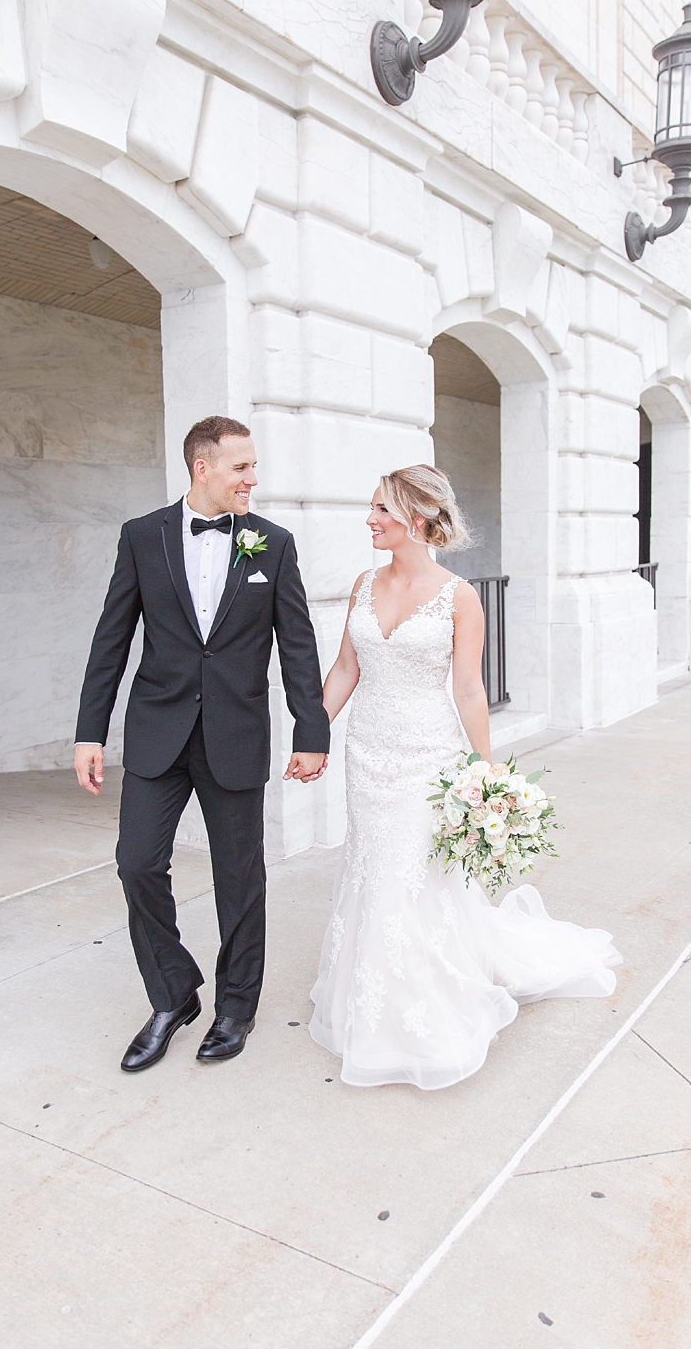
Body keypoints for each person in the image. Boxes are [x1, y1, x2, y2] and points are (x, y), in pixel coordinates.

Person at [302, 465, 619, 1089]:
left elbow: (470, 690)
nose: (370, 520)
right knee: (372, 870)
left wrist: (487, 771)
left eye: (383, 511)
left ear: (420, 519)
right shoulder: (362, 585)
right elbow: (344, 668)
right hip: (369, 755)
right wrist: (311, 735)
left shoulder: (459, 597)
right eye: (371, 508)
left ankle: (420, 1015)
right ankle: (367, 999)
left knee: (412, 880)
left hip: (428, 759)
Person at [74, 416, 330, 1072]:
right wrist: (89, 731)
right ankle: (173, 993)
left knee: (238, 880)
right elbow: (112, 641)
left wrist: (311, 730)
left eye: (253, 466)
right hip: (159, 732)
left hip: (235, 734)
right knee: (137, 862)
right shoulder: (142, 537)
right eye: (241, 466)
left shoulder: (272, 545)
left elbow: (297, 646)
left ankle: (235, 1008)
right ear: (203, 468)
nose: (252, 478)